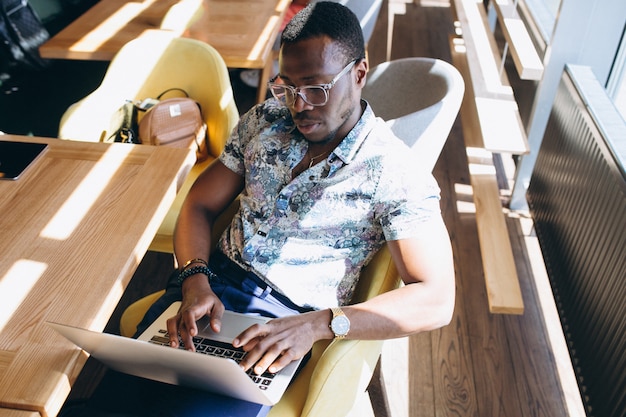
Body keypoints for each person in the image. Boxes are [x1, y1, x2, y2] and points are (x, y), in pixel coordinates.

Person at [61, 2, 455, 416]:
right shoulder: (265, 121)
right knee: (108, 406)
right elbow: (198, 204)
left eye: (316, 88)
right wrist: (194, 278)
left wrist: (318, 324)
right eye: (287, 87)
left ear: (359, 74)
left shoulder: (394, 171)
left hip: (284, 322)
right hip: (206, 293)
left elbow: (435, 299)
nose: (299, 105)